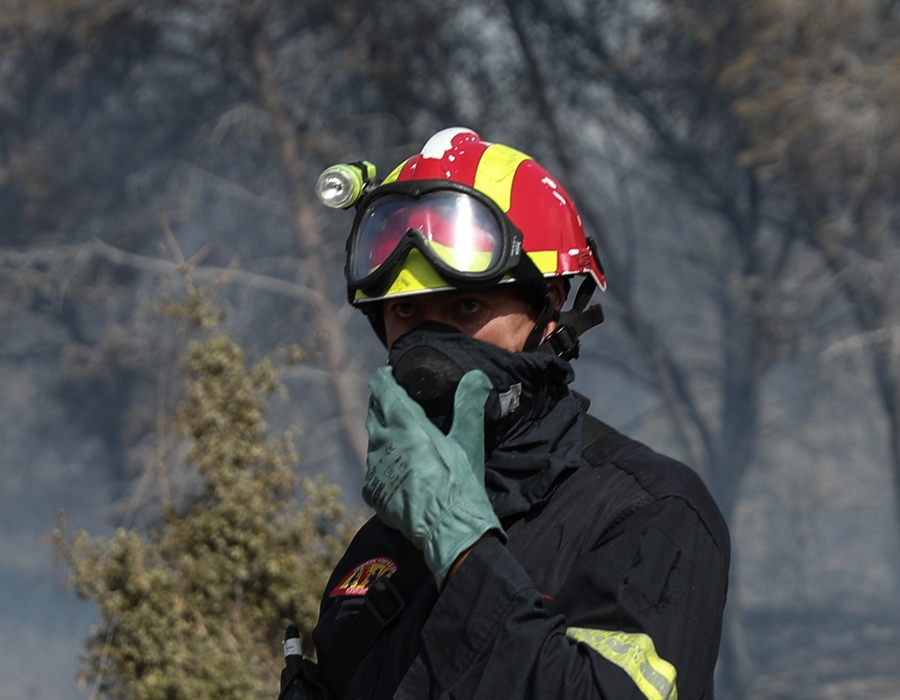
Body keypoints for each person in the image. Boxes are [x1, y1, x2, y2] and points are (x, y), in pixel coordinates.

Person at [285, 127, 730, 700]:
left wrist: (463, 550)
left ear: (552, 312)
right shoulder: (380, 551)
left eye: (468, 305)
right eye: (405, 313)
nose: (430, 344)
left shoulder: (651, 512)